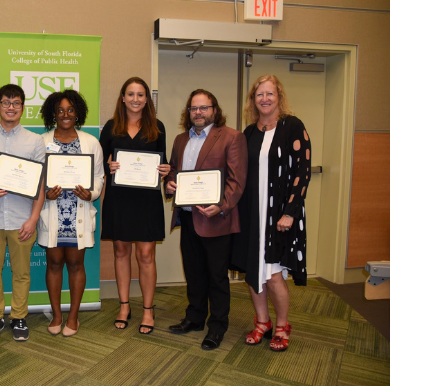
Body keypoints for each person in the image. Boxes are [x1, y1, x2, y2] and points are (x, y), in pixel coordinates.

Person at [230, 75, 312, 352]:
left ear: (279, 96)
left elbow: (302, 172)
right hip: (253, 215)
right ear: (253, 100)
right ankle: (262, 322)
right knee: (255, 271)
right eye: (259, 95)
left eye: (270, 93)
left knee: (274, 275)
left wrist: (290, 212)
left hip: (279, 217)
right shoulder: (249, 133)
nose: (264, 99)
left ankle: (282, 326)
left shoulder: (293, 127)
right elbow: (238, 173)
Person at [163, 89, 246, 351]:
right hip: (188, 218)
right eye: (193, 109)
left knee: (216, 277)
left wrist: (221, 206)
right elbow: (174, 170)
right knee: (194, 272)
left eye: (203, 108)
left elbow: (237, 180)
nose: (198, 113)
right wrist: (170, 184)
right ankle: (195, 318)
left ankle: (217, 326)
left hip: (216, 219)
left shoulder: (232, 137)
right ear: (188, 113)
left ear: (214, 109)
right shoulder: (180, 140)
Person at [98, 77, 170, 335]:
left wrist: (165, 170)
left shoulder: (157, 127)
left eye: (141, 95)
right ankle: (124, 306)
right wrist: (108, 166)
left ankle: (148, 310)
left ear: (147, 99)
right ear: (123, 98)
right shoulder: (110, 127)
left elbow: (164, 163)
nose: (136, 99)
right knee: (120, 251)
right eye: (131, 94)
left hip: (146, 201)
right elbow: (99, 163)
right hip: (119, 199)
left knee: (146, 255)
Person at [0, 84, 46, 342]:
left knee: (21, 273)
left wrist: (33, 218)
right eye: (5, 103)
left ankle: (19, 317)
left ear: (23, 108)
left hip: (22, 219)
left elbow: (41, 183)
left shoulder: (34, 140)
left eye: (16, 103)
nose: (10, 107)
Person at [36, 89, 104, 338]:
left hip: (79, 213)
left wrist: (92, 194)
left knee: (76, 264)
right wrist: (45, 191)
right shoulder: (41, 142)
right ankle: (56, 315)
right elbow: (36, 177)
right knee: (53, 263)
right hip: (53, 212)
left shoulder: (91, 142)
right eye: (60, 110)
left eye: (70, 110)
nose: (65, 114)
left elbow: (99, 177)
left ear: (78, 113)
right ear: (53, 114)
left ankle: (73, 317)